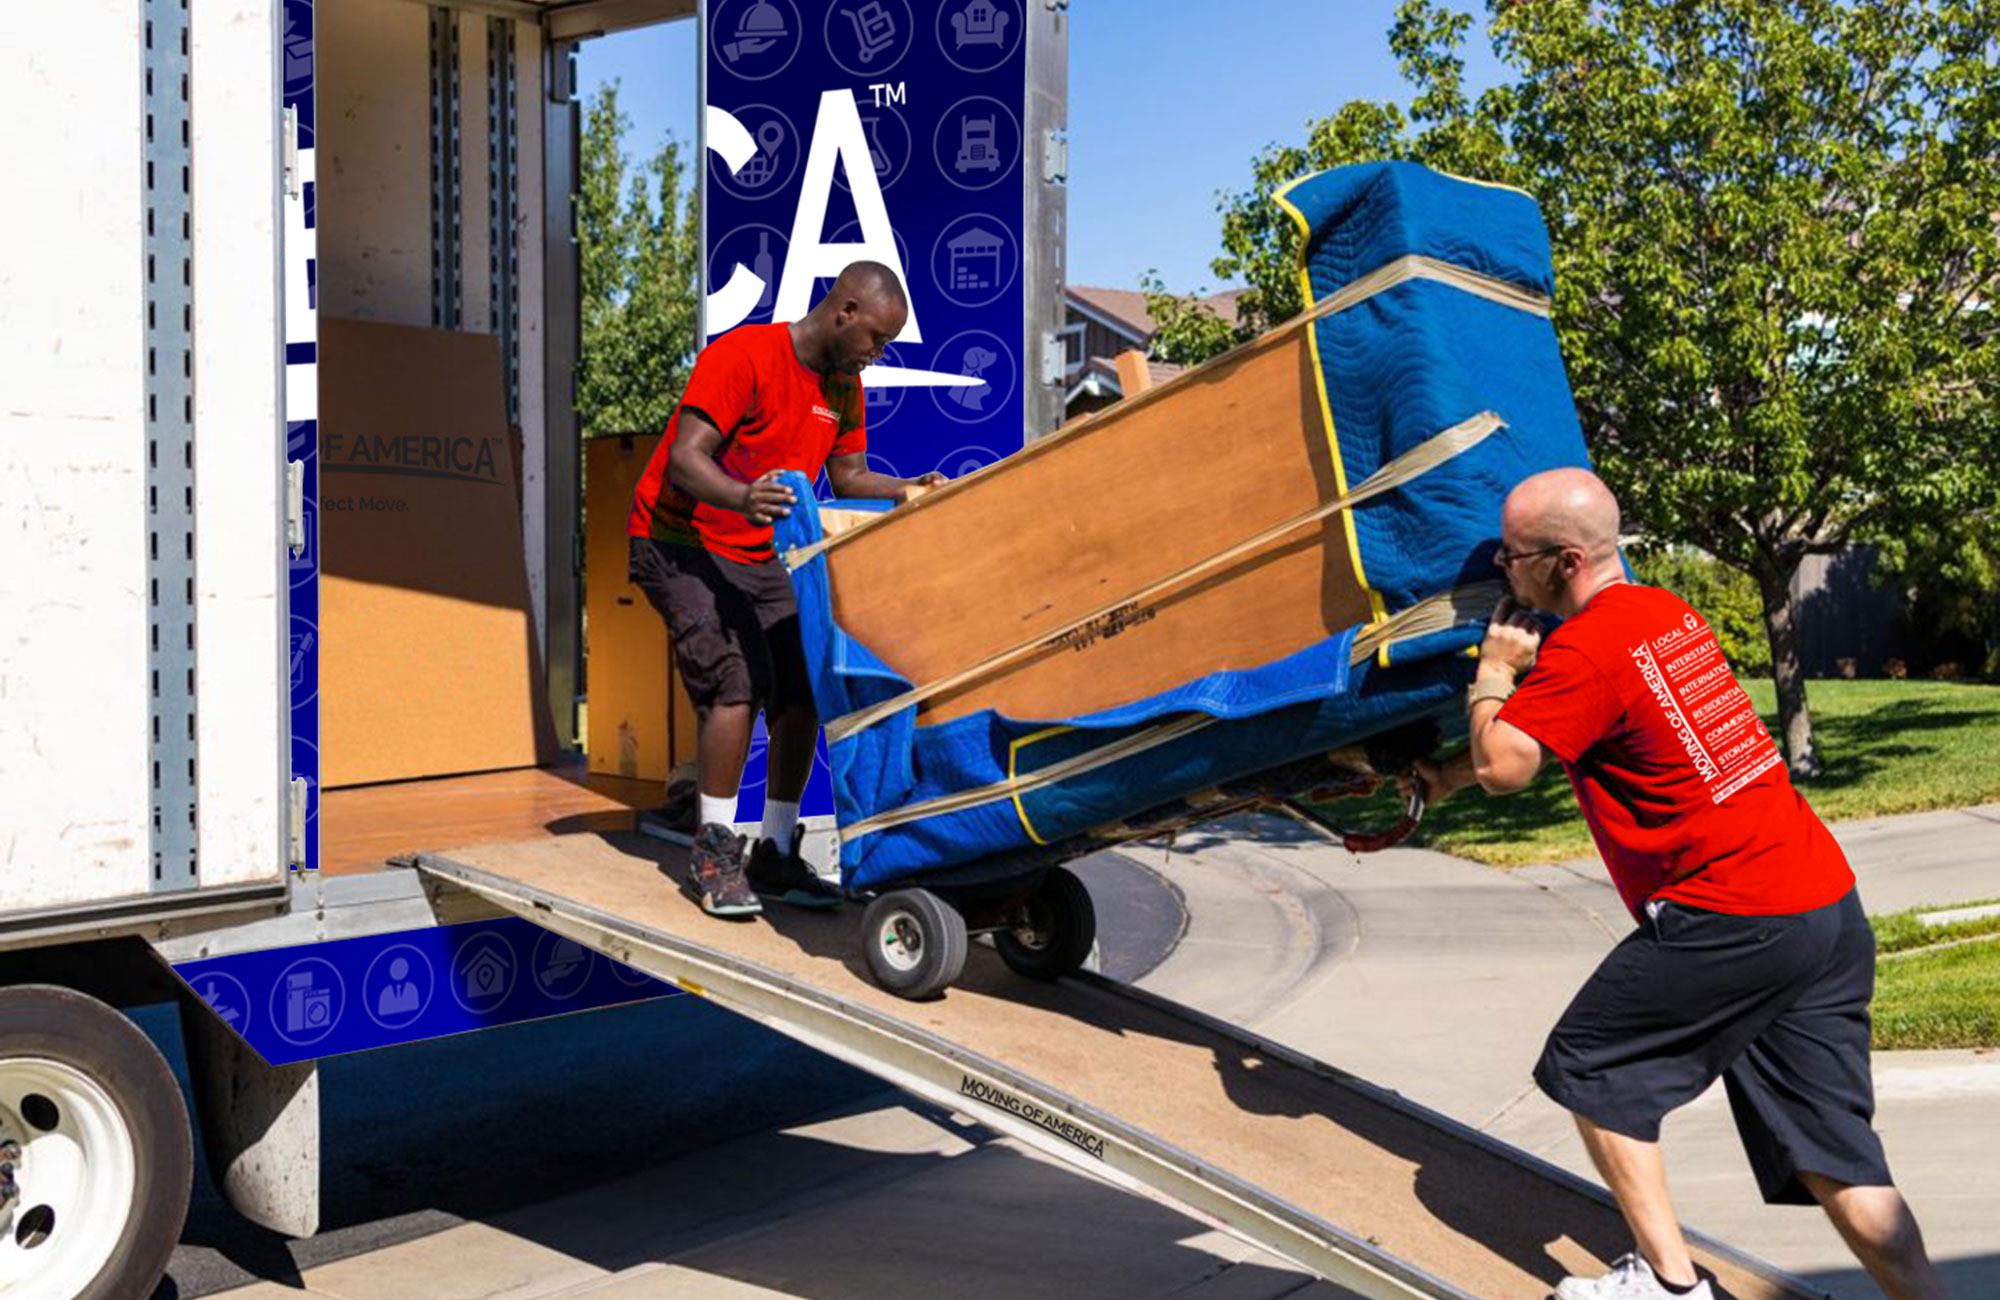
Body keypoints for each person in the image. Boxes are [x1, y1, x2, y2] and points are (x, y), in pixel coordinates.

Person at [1406, 468, 1950, 1300]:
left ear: (1563, 561)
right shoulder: (1663, 614)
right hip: (1821, 906)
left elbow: (1506, 765)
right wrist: (1442, 780)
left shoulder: (1585, 646)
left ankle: (1669, 1286)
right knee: (1837, 1156)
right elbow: (1575, 730)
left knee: (1593, 1065)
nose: (1500, 573)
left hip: (1735, 912)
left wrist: (1494, 669)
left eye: (1511, 557)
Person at [627, 262, 944, 918]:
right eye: (877, 338)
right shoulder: (744, 355)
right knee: (735, 680)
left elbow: (849, 476)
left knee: (802, 686)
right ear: (845, 311)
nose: (878, 354)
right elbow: (686, 458)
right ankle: (715, 852)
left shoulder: (844, 387)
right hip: (676, 539)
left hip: (756, 550)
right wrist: (742, 496)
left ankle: (774, 852)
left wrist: (907, 488)